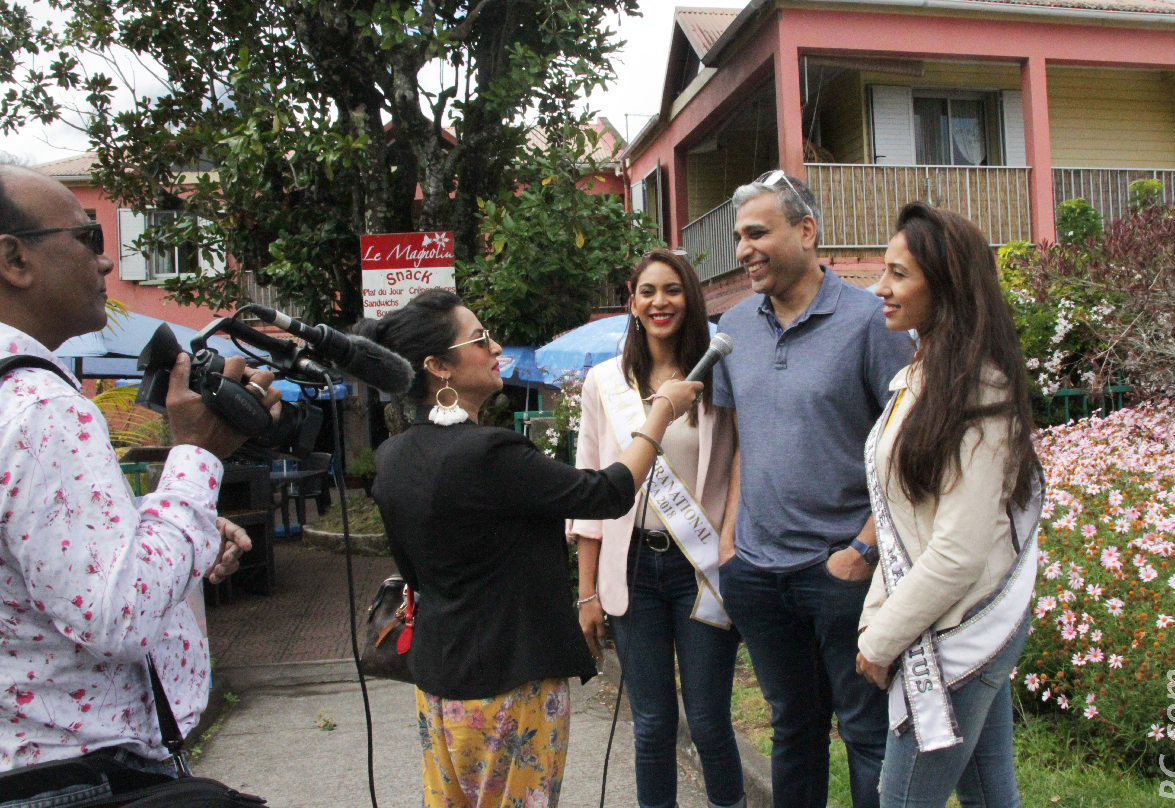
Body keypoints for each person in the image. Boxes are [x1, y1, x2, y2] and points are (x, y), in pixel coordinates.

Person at [0, 165, 281, 800]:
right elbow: (118, 613)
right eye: (89, 238)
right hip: (74, 773)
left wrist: (176, 516)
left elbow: (47, 558)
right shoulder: (40, 404)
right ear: (15, 259)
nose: (107, 264)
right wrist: (198, 457)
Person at [359, 289, 702, 808]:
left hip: (437, 681)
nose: (496, 347)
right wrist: (660, 416)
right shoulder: (490, 453)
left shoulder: (393, 456)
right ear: (438, 367)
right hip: (509, 683)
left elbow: (413, 573)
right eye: (480, 339)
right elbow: (606, 492)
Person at [712, 171, 914, 808]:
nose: (744, 249)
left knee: (865, 733)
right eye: (739, 238)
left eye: (757, 233)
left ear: (806, 231)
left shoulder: (870, 322)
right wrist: (729, 549)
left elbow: (907, 445)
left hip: (842, 571)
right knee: (792, 728)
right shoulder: (734, 326)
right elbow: (744, 439)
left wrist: (864, 549)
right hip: (759, 573)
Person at [855, 202, 1041, 808]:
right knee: (991, 797)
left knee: (903, 800)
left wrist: (879, 640)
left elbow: (957, 554)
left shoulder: (980, 391)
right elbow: (905, 522)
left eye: (898, 274)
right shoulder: (925, 375)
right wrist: (877, 618)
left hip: (964, 626)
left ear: (948, 285)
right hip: (940, 616)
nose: (879, 288)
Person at [571, 250, 743, 808]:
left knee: (710, 719)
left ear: (690, 297)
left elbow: (743, 463)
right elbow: (591, 490)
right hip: (632, 569)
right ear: (632, 300)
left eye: (672, 289)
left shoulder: (719, 376)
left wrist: (731, 537)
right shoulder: (604, 383)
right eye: (648, 291)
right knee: (651, 722)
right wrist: (587, 592)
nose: (659, 301)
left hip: (701, 568)